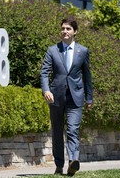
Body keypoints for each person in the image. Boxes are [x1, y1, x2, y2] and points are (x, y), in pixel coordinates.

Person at [40, 17, 93, 176]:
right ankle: (59, 165)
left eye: (68, 29)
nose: (65, 31)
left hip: (75, 97)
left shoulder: (82, 51)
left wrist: (89, 98)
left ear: (75, 32)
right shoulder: (52, 50)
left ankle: (73, 161)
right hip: (56, 97)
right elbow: (44, 72)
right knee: (57, 131)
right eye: (63, 28)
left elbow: (87, 75)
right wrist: (46, 90)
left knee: (73, 130)